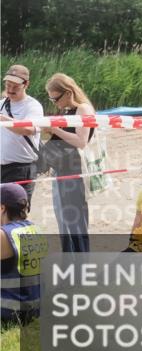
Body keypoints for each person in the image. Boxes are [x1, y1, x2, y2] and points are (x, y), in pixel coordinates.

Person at [40, 74, 95, 252]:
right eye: (51, 98)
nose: (54, 102)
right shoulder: (67, 111)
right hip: (62, 170)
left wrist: (54, 128)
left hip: (75, 171)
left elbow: (81, 141)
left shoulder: (83, 109)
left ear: (68, 93)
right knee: (63, 221)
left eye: (55, 98)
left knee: (75, 221)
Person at [0, 183, 46, 327]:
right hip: (37, 309)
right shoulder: (37, 230)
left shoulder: (4, 235)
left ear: (2, 208)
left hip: (10, 313)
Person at [0, 66, 43, 207]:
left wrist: (3, 119)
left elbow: (28, 129)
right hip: (1, 167)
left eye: (15, 86)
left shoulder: (33, 106)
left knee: (16, 213)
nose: (10, 90)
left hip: (21, 169)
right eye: (8, 85)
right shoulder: (1, 104)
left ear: (26, 84)